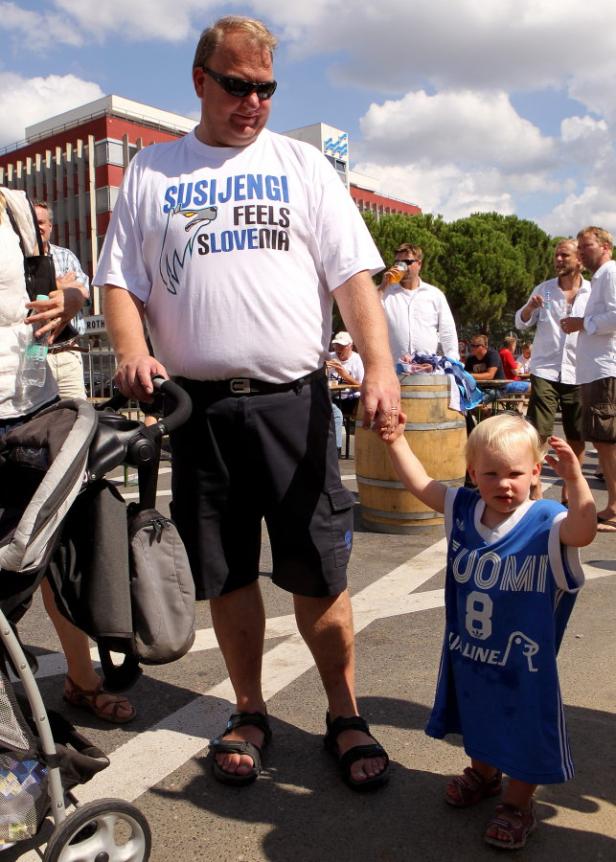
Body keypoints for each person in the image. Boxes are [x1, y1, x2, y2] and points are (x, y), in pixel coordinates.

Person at [95, 16, 399, 789]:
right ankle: (250, 707)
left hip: (294, 405)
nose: (254, 101)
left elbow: (353, 281)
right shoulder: (153, 171)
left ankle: (343, 712)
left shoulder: (303, 167)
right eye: (238, 86)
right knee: (227, 577)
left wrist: (380, 366)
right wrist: (132, 351)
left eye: (266, 88)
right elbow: (119, 284)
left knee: (318, 576)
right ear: (201, 80)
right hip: (198, 413)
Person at [380, 411, 595, 850]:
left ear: (535, 472)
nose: (504, 484)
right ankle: (484, 773)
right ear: (472, 473)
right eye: (491, 473)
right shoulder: (463, 509)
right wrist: (395, 441)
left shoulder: (548, 521)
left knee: (526, 730)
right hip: (471, 652)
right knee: (476, 715)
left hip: (525, 666)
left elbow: (584, 530)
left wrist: (575, 479)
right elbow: (422, 485)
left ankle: (518, 804)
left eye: (516, 473)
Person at [0, 186, 135, 724]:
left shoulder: (14, 207)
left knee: (54, 555)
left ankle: (82, 681)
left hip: (32, 406)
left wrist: (72, 300)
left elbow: (66, 285)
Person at [515, 239, 590, 504]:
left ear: (579, 259)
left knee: (577, 434)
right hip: (545, 369)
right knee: (539, 432)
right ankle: (535, 487)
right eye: (556, 255)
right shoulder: (545, 291)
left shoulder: (591, 293)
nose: (558, 260)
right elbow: (521, 323)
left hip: (580, 370)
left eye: (564, 255)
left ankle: (570, 490)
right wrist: (530, 308)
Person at [561, 227, 616, 532]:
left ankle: (615, 506)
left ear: (606, 246)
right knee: (604, 440)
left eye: (587, 246)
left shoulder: (609, 273)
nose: (582, 252)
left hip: (604, 369)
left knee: (606, 441)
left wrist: (583, 323)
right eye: (579, 248)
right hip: (598, 370)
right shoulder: (603, 276)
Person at [33, 202, 89, 399]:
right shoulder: (16, 260)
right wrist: (58, 285)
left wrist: (44, 288)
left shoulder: (65, 256)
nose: (36, 226)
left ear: (50, 226)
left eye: (41, 222)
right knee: (37, 426)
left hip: (67, 355)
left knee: (78, 422)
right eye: (32, 222)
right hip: (31, 358)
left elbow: (83, 292)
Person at [380, 243, 459, 363]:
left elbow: (447, 333)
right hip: (392, 371)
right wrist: (382, 288)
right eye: (398, 263)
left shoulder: (434, 294)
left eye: (407, 262)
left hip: (427, 369)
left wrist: (452, 362)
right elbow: (365, 317)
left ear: (419, 264)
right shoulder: (384, 293)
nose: (402, 266)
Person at [326, 331, 364, 456]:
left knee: (336, 413)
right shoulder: (330, 357)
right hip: (333, 397)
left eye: (342, 346)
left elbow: (361, 387)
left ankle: (335, 450)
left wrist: (344, 375)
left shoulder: (357, 360)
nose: (338, 349)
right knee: (329, 409)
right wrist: (323, 370)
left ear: (350, 346)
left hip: (351, 399)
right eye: (336, 345)